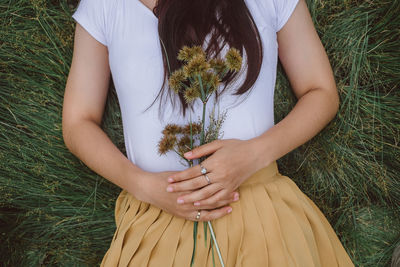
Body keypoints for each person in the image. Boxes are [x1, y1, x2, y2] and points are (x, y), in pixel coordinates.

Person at [62, 0, 355, 266]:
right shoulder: (105, 6)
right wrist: (142, 185)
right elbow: (78, 123)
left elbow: (321, 92)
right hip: (158, 214)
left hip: (261, 211)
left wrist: (255, 154)